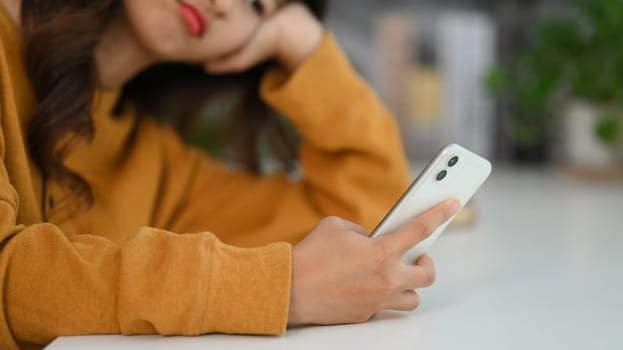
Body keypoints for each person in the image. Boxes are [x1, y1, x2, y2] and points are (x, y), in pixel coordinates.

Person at [0, 0, 460, 348]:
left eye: (257, 6)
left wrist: (303, 44)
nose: (222, 5)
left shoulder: (156, 164)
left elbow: (363, 227)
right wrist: (281, 289)